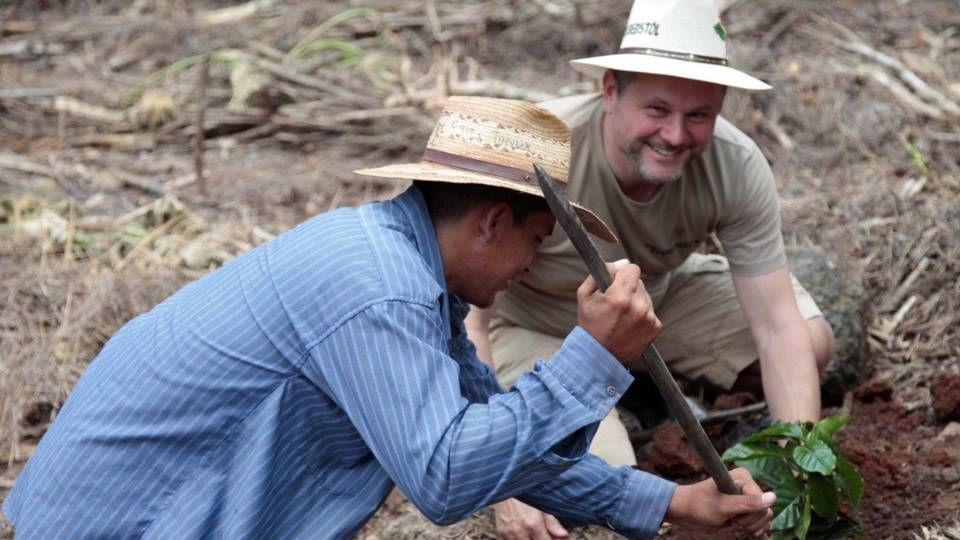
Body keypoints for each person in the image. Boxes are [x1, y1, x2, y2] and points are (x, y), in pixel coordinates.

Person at [2, 96, 775, 539]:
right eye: (537, 244)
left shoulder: (407, 276)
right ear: (490, 224)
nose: (531, 270)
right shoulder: (376, 286)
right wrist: (593, 358)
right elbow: (444, 477)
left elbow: (498, 444)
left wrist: (672, 503)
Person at [465, 1, 836, 538]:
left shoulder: (735, 164)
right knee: (601, 483)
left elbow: (777, 325)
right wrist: (500, 473)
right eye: (657, 110)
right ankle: (624, 397)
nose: (676, 135)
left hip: (654, 300)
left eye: (699, 116)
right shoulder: (537, 153)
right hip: (541, 326)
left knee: (812, 341)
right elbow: (468, 321)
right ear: (610, 90)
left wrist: (797, 469)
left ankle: (636, 385)